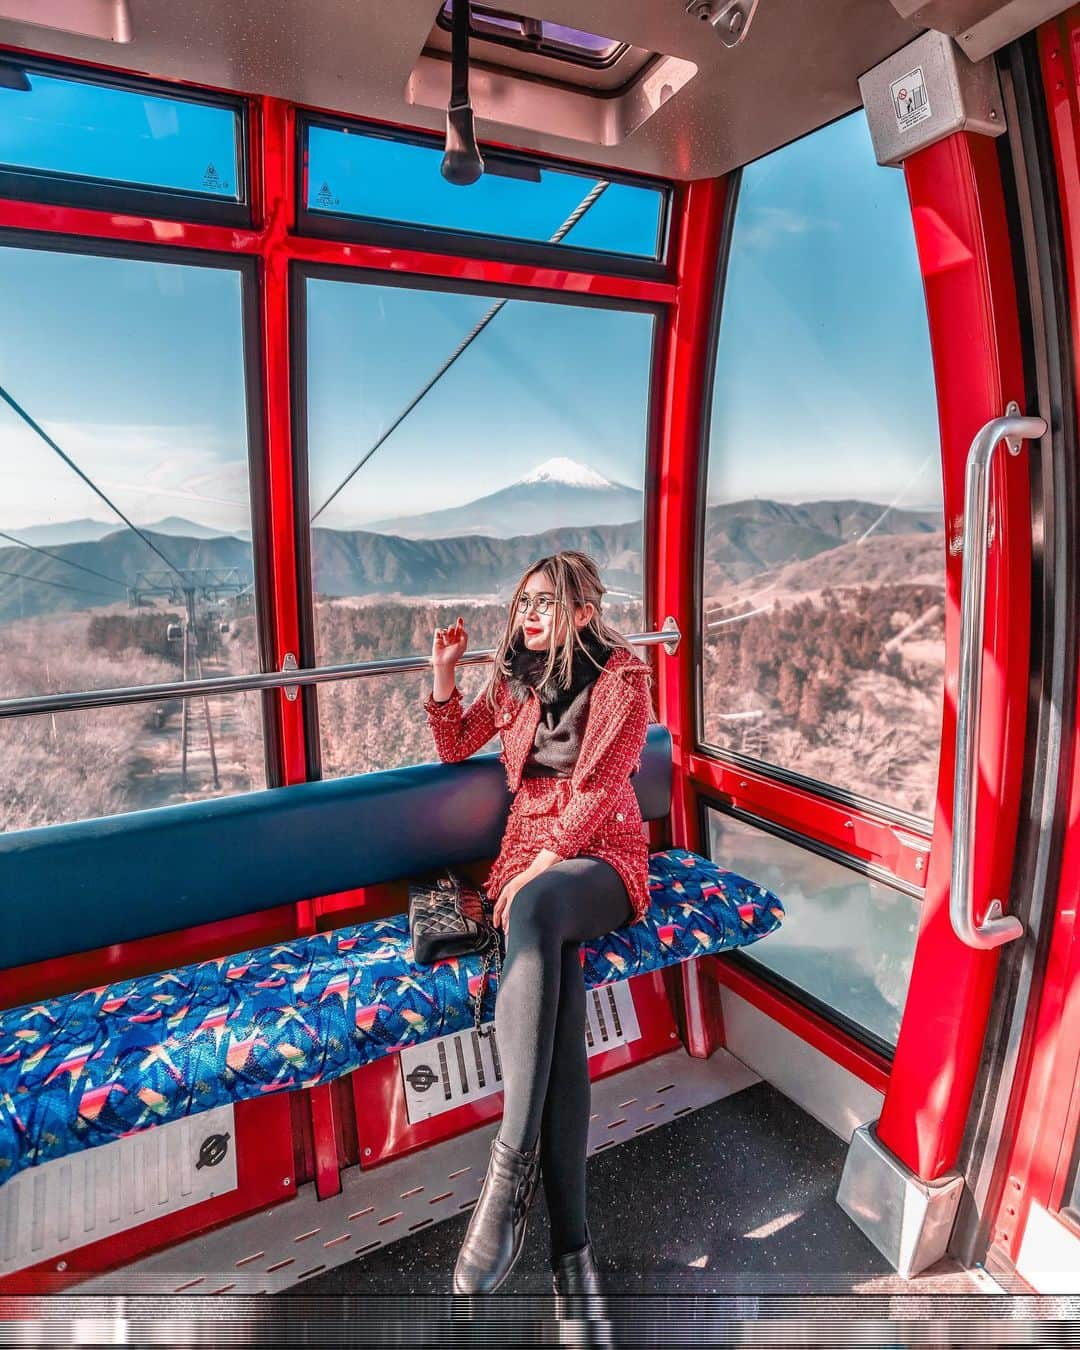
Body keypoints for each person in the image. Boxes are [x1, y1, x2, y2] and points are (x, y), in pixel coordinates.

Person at [423, 549, 653, 1302]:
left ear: (583, 613)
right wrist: (445, 674)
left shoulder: (623, 682)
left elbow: (604, 787)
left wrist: (543, 863)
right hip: (529, 852)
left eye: (545, 603)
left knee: (540, 907)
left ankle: (507, 1170)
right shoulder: (516, 680)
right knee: (559, 1024)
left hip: (600, 852)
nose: (527, 615)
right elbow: (456, 741)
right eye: (524, 601)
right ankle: (572, 1264)